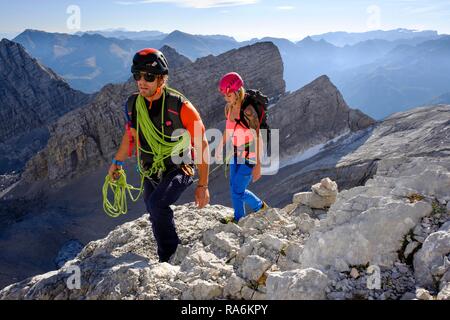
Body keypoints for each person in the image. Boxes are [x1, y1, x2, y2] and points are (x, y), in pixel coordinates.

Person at [108, 48, 210, 262]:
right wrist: (117, 162)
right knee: (154, 210)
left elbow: (201, 145)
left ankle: (169, 256)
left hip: (179, 166)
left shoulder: (181, 107)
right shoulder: (133, 105)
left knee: (157, 204)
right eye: (138, 75)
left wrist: (203, 185)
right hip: (151, 169)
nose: (142, 81)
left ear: (162, 79)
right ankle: (171, 248)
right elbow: (130, 138)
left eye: (149, 76)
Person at [215, 72, 268, 223]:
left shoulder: (249, 111)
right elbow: (229, 130)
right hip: (235, 153)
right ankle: (240, 217)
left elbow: (258, 137)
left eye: (229, 95)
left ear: (238, 92)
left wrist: (258, 165)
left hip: (250, 155)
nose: (226, 98)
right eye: (225, 95)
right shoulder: (229, 108)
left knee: (237, 190)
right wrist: (220, 146)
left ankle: (259, 207)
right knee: (234, 188)